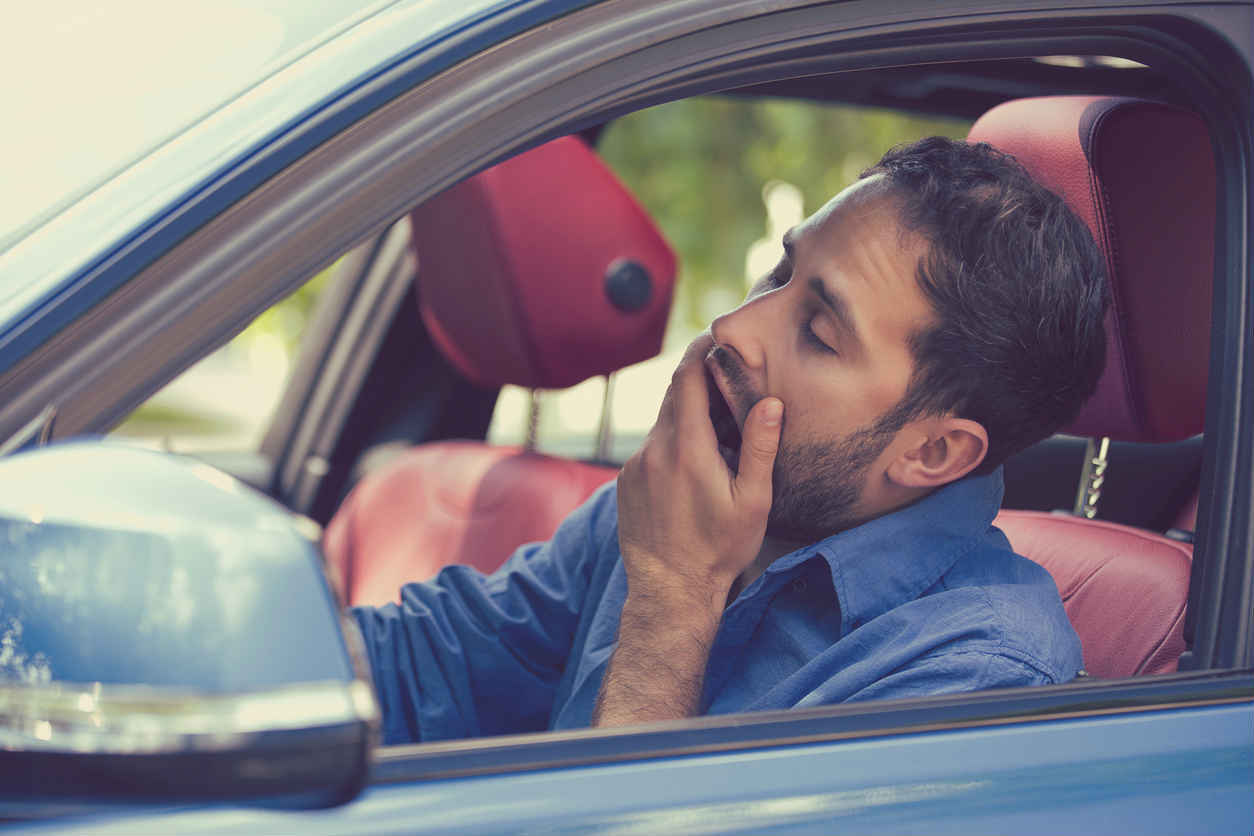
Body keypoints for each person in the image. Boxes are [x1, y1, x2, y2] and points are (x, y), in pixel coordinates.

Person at [352, 137, 1108, 743]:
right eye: (780, 270)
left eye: (816, 332)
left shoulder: (978, 678)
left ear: (932, 453)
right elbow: (433, 668)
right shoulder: (681, 500)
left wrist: (674, 598)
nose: (734, 328)